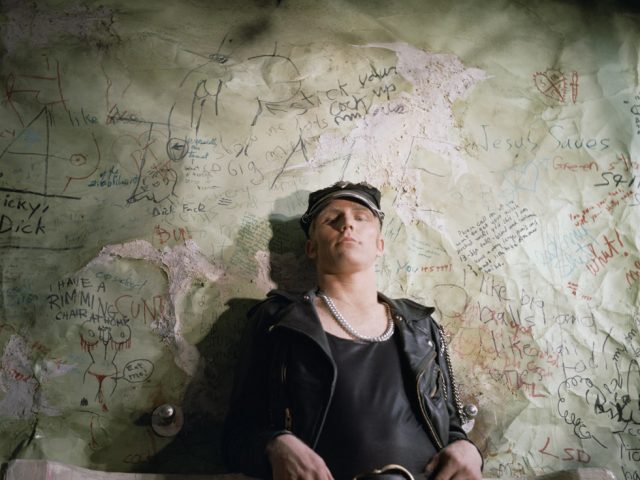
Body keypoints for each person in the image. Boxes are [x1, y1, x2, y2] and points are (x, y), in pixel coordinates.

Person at [222, 181, 483, 480]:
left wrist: (467, 448)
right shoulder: (279, 321)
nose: (347, 223)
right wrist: (275, 444)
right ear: (311, 247)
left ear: (379, 245)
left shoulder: (420, 326)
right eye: (331, 219)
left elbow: (450, 425)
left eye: (361, 218)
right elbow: (236, 439)